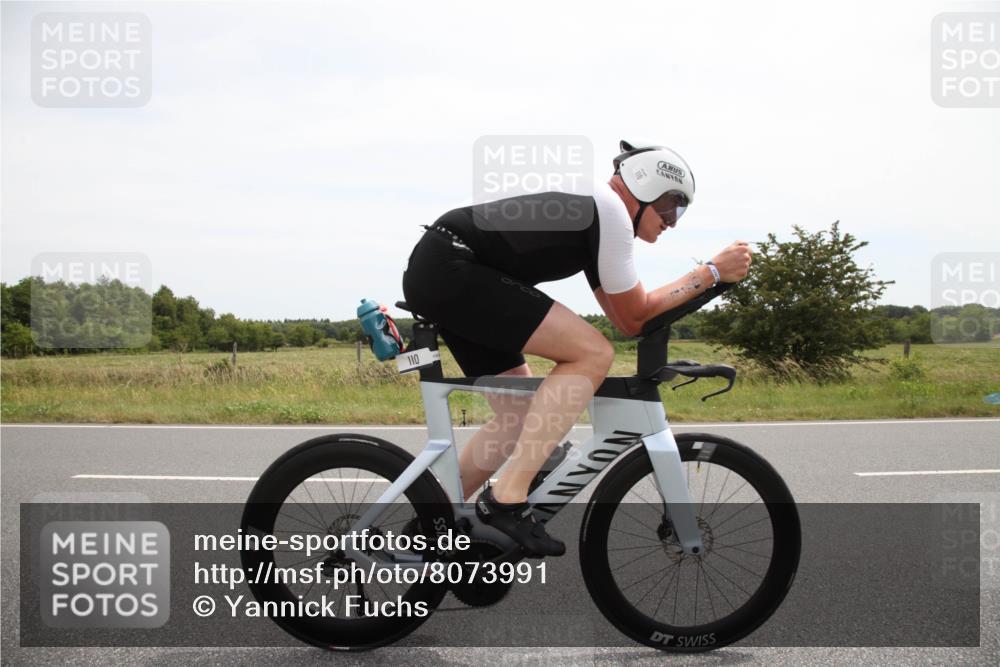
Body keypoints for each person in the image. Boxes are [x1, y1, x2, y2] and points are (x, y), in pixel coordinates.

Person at [401, 140, 752, 557]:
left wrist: (706, 279)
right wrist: (710, 273)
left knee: (518, 415)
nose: (672, 222)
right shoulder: (608, 210)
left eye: (680, 212)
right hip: (453, 267)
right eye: (671, 207)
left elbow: (627, 320)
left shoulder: (595, 214)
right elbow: (636, 315)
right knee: (592, 354)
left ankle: (427, 524)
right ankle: (508, 497)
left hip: (445, 267)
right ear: (644, 187)